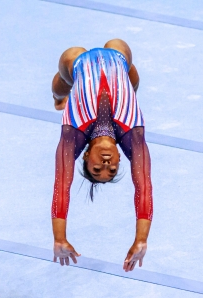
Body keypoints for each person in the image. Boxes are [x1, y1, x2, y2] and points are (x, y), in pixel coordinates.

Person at [51, 39, 153, 272]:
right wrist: (141, 239)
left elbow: (61, 187)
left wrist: (59, 237)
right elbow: (144, 187)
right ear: (120, 158)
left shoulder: (73, 135)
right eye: (113, 169)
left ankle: (58, 97)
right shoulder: (133, 136)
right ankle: (127, 78)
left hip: (75, 63)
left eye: (98, 169)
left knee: (62, 81)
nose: (106, 164)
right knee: (118, 48)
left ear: (85, 156)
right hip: (118, 59)